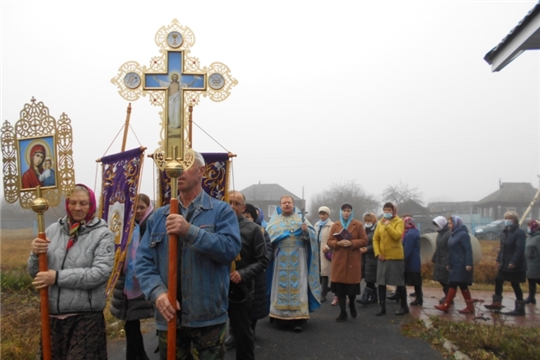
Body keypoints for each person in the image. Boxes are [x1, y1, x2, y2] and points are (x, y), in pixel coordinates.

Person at [136, 151, 242, 360]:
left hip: (208, 317)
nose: (176, 171)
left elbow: (230, 249)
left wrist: (190, 231)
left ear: (201, 170)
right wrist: (157, 293)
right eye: (172, 165)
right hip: (169, 317)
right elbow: (143, 262)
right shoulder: (158, 217)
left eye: (184, 164)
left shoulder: (221, 211)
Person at [28, 184, 115, 359]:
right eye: (73, 202)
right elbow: (34, 272)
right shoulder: (52, 230)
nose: (77, 207)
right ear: (67, 204)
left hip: (85, 320)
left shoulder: (102, 234)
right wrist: (35, 254)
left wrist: (57, 277)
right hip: (52, 319)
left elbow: (99, 273)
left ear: (91, 205)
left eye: (83, 203)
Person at [266, 195, 321, 332]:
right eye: (284, 202)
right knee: (279, 285)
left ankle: (299, 319)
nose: (286, 204)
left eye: (289, 202)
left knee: (300, 285)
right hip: (281, 257)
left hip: (299, 257)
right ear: (280, 205)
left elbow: (312, 236)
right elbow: (268, 238)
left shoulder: (301, 218)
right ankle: (279, 318)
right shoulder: (274, 221)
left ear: (293, 204)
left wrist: (306, 231)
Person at [110, 193, 155, 360]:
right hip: (125, 281)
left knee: (133, 321)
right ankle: (140, 355)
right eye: (135, 207)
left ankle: (135, 356)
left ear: (148, 208)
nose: (138, 211)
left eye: (142, 207)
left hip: (143, 280)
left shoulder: (152, 226)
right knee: (130, 322)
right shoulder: (123, 227)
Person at [227, 191, 268, 360]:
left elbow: (263, 260)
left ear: (243, 208)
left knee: (243, 336)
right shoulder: (214, 226)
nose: (232, 206)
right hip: (215, 288)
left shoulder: (253, 230)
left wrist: (243, 274)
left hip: (240, 290)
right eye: (229, 202)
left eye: (236, 203)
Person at [327, 203, 367, 321]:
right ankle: (343, 312)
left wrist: (352, 243)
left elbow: (364, 241)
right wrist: (337, 243)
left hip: (352, 260)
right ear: (341, 212)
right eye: (344, 210)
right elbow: (329, 241)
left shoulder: (358, 225)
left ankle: (352, 304)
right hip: (339, 260)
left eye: (348, 210)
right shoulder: (335, 225)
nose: (346, 212)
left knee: (351, 289)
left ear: (351, 212)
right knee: (340, 289)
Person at [484, 211, 527, 316]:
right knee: (498, 280)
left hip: (515, 264)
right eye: (506, 218)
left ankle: (520, 307)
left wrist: (513, 262)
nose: (507, 220)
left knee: (515, 284)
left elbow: (519, 249)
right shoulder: (505, 232)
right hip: (504, 263)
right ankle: (497, 302)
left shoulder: (519, 233)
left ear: (515, 220)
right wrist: (498, 259)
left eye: (510, 218)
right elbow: (502, 248)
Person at [435, 216, 475, 314]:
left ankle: (446, 305)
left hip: (461, 264)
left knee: (454, 284)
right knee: (462, 285)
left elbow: (468, 250)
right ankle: (470, 307)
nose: (449, 225)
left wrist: (469, 263)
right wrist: (449, 263)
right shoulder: (453, 235)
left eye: (451, 223)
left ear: (457, 224)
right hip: (454, 264)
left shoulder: (463, 235)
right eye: (448, 223)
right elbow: (450, 251)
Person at [372, 202, 406, 316]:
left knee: (399, 282)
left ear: (393, 210)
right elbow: (375, 239)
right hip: (382, 257)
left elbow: (397, 236)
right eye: (385, 210)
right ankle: (382, 307)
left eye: (389, 210)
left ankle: (404, 306)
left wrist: (388, 225)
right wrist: (378, 253)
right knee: (381, 282)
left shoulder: (399, 221)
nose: (386, 212)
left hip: (395, 257)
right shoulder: (379, 223)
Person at [314, 206, 336, 304]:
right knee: (318, 272)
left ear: (328, 215)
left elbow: (334, 239)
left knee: (325, 272)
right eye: (321, 214)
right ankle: (325, 288)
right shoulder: (316, 225)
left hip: (326, 251)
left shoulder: (332, 225)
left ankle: (323, 293)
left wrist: (328, 247)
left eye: (324, 214)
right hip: (317, 250)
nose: (322, 216)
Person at [357, 212, 378, 306]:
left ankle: (364, 298)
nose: (368, 222)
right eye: (366, 220)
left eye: (369, 220)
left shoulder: (376, 230)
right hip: (363, 257)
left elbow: (378, 244)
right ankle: (374, 297)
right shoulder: (363, 229)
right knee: (369, 278)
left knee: (370, 278)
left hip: (372, 257)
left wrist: (367, 249)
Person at [402, 217, 423, 306]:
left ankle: (418, 299)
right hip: (415, 260)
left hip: (411, 262)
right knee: (417, 281)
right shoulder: (415, 231)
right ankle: (419, 298)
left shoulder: (409, 234)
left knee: (412, 281)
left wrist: (404, 260)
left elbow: (407, 249)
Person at [431, 216, 451, 304]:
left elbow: (450, 248)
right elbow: (438, 247)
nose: (436, 226)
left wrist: (449, 261)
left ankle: (449, 297)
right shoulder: (440, 234)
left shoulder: (449, 233)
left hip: (445, 259)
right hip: (439, 258)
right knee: (439, 278)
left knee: (445, 279)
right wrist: (434, 257)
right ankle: (448, 295)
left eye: (437, 224)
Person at [525, 219, 540, 305]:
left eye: (530, 226)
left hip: (536, 263)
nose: (528, 228)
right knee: (531, 280)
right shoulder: (530, 237)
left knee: (537, 279)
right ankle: (531, 297)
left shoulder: (538, 237)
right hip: (529, 263)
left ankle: (531, 297)